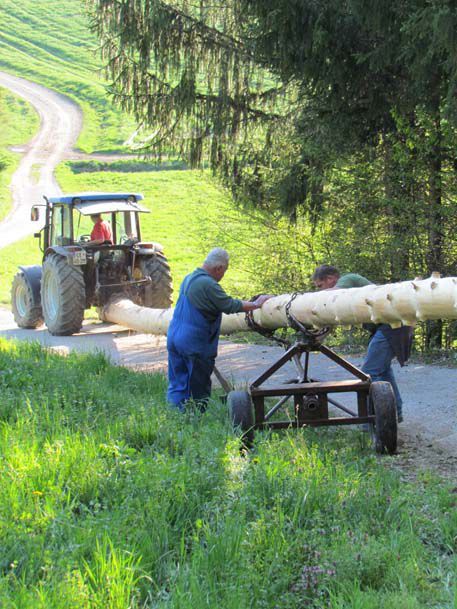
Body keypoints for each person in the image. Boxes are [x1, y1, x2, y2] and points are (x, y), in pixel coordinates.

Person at [167, 248, 272, 410]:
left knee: (178, 383)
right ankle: (194, 422)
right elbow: (230, 305)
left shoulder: (189, 278)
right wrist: (257, 304)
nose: (223, 276)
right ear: (219, 268)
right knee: (197, 389)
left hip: (174, 338)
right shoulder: (208, 284)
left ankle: (174, 417)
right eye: (224, 272)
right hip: (193, 343)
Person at [311, 264, 413, 423]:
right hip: (389, 326)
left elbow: (331, 293)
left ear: (330, 279)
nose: (319, 291)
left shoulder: (348, 280)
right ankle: (394, 414)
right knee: (383, 371)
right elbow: (330, 322)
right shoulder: (341, 298)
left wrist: (304, 300)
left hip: (392, 325)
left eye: (320, 286)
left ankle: (374, 420)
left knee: (370, 371)